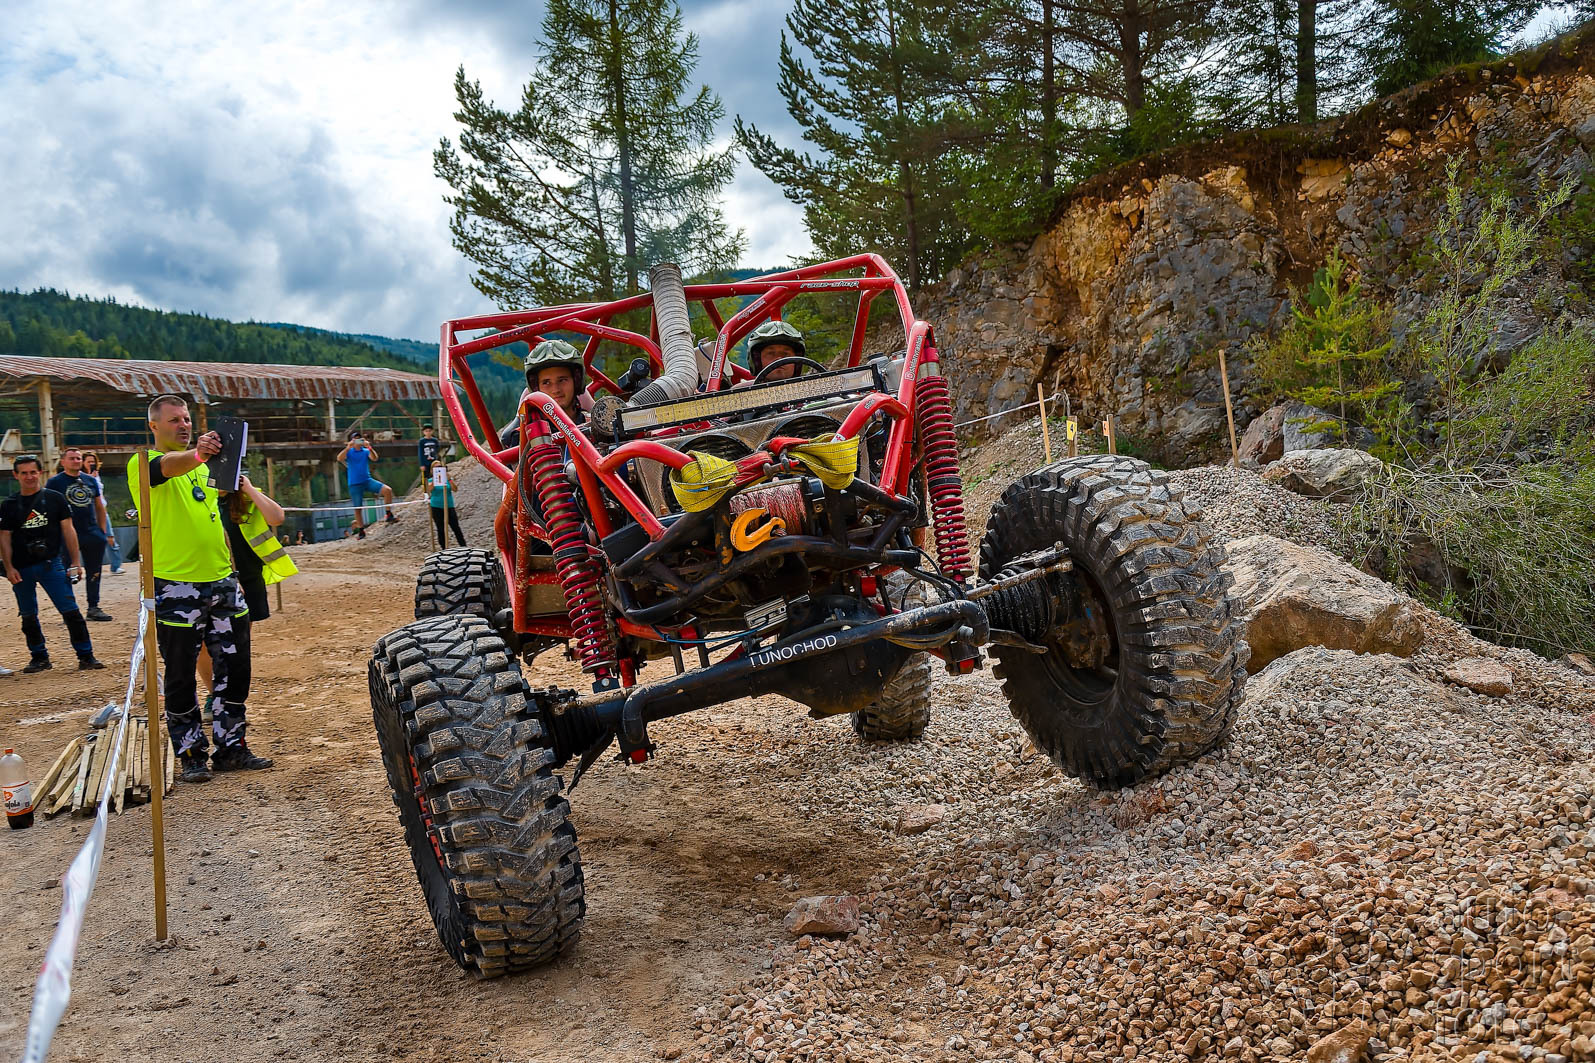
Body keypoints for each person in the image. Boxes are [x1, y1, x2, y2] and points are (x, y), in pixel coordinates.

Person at [128, 394, 272, 783]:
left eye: (187, 419)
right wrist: (197, 453)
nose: (184, 425)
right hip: (176, 586)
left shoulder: (203, 469)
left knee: (235, 668)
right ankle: (191, 753)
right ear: (154, 426)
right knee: (179, 674)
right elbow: (167, 467)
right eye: (174, 420)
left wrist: (232, 570)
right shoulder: (144, 463)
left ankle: (231, 748)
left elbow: (213, 519)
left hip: (222, 581)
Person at [0, 455, 104, 672]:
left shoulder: (55, 499)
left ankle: (86, 656)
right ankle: (39, 657)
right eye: (24, 473)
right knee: (28, 614)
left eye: (33, 472)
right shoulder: (9, 505)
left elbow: (69, 530)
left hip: (51, 563)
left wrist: (75, 562)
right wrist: (9, 567)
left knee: (70, 610)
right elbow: (5, 538)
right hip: (21, 567)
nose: (29, 477)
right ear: (16, 475)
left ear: (40, 472)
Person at [46, 446, 114, 621]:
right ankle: (70, 611)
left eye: (78, 458)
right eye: (72, 458)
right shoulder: (54, 482)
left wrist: (102, 531)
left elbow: (99, 506)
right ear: (63, 462)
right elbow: (49, 509)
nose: (76, 461)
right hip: (66, 535)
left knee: (94, 571)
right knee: (66, 573)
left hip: (91, 533)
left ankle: (93, 607)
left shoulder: (90, 480)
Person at [336, 429, 398, 540]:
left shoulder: (365, 451)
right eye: (355, 439)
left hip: (367, 481)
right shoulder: (349, 452)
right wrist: (348, 447)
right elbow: (339, 458)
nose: (357, 441)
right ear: (352, 441)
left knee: (387, 490)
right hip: (354, 484)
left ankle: (388, 513)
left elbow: (375, 458)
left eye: (359, 439)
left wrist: (369, 447)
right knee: (358, 508)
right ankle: (361, 530)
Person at [82, 451, 123, 574]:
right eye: (88, 462)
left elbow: (100, 493)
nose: (91, 464)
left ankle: (116, 565)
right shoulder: (81, 477)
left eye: (93, 462)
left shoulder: (96, 475)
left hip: (101, 509)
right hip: (88, 510)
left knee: (110, 537)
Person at [425, 460, 467, 551]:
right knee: (440, 528)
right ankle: (444, 548)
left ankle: (464, 546)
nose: (439, 469)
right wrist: (436, 479)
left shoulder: (446, 479)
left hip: (449, 506)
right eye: (436, 468)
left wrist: (449, 479)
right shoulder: (431, 480)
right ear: (432, 470)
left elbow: (455, 489)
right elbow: (428, 490)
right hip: (436, 506)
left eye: (440, 467)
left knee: (455, 527)